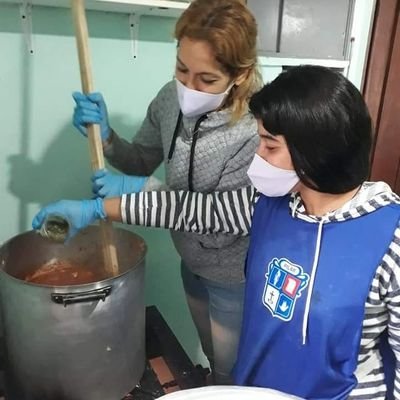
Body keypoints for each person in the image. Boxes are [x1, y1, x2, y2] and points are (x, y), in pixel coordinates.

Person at [33, 65, 400, 399]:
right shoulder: (269, 203)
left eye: (270, 146)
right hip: (259, 388)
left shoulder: (389, 238)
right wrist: (95, 209)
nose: (258, 157)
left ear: (315, 154)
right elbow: (187, 210)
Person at [69, 0, 262, 385]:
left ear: (239, 74)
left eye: (206, 79)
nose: (189, 87)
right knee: (212, 356)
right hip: (189, 262)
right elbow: (140, 159)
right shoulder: (168, 99)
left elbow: (223, 216)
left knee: (233, 372)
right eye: (181, 69)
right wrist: (106, 137)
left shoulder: (256, 127)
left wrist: (126, 197)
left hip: (234, 275)